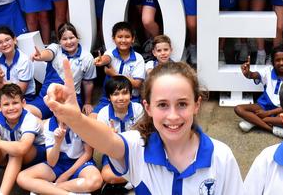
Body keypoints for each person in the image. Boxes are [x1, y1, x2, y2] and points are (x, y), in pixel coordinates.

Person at [44, 61, 245, 193]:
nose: (173, 115)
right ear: (147, 107)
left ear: (197, 105)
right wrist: (75, 118)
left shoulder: (221, 156)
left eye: (182, 104)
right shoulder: (136, 147)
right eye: (162, 105)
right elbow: (106, 140)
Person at [0, 84, 47, 195]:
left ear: (23, 103)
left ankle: (2, 193)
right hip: (10, 153)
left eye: (15, 103)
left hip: (35, 155)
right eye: (6, 104)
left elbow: (22, 149)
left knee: (15, 152)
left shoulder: (29, 119)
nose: (11, 108)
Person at [16, 115, 102, 195]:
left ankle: (49, 189)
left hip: (80, 163)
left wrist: (65, 176)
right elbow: (52, 162)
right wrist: (57, 142)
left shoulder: (81, 122)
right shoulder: (49, 125)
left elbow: (88, 153)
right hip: (58, 163)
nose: (60, 109)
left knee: (95, 181)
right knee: (22, 178)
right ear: (51, 108)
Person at [30, 23, 96, 117]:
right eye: (64, 39)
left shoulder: (87, 57)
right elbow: (48, 53)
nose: (69, 42)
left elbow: (88, 83)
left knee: (66, 124)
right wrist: (41, 56)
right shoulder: (56, 48)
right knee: (27, 114)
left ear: (77, 38)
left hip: (71, 99)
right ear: (59, 41)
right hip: (46, 97)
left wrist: (88, 102)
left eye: (72, 37)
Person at [96, 76, 144, 191]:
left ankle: (127, 182)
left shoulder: (138, 109)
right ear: (109, 98)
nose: (121, 98)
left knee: (149, 165)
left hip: (135, 151)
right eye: (116, 94)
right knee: (107, 175)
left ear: (131, 95)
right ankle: (136, 180)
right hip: (113, 153)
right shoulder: (103, 114)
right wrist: (110, 138)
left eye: (125, 93)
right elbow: (101, 146)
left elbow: (143, 136)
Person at [235, 46, 283, 139]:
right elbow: (254, 75)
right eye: (277, 60)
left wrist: (268, 113)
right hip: (263, 106)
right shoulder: (268, 71)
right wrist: (248, 73)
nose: (281, 63)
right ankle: (272, 130)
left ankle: (253, 120)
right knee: (238, 109)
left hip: (279, 110)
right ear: (273, 62)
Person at [93, 21, 145, 112]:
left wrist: (114, 74)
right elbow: (107, 58)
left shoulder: (138, 58)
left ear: (133, 39)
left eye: (127, 37)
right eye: (120, 37)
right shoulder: (110, 52)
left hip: (131, 99)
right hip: (109, 98)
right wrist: (101, 60)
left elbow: (137, 84)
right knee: (92, 118)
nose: (123, 40)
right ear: (114, 39)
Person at [0, 27, 38, 114]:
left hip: (24, 97)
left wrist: (1, 81)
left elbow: (20, 91)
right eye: (0, 42)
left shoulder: (24, 60)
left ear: (14, 40)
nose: (4, 44)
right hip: (5, 94)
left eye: (7, 40)